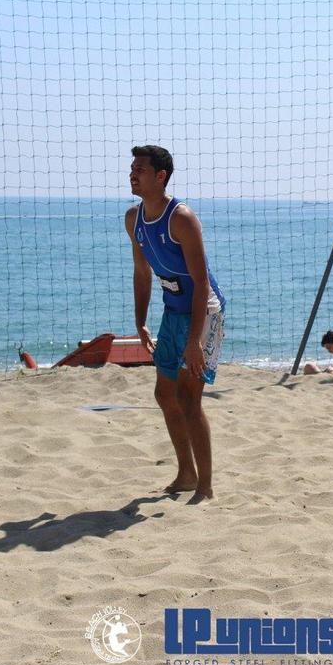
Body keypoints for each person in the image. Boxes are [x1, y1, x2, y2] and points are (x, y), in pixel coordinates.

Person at [126, 145, 226, 502]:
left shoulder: (181, 218)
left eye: (140, 168)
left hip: (204, 311)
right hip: (173, 311)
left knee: (189, 397)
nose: (133, 173)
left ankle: (206, 486)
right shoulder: (133, 218)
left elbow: (200, 282)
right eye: (132, 167)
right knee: (163, 394)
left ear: (161, 176)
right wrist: (140, 321)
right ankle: (186, 474)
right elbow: (142, 272)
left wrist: (195, 341)